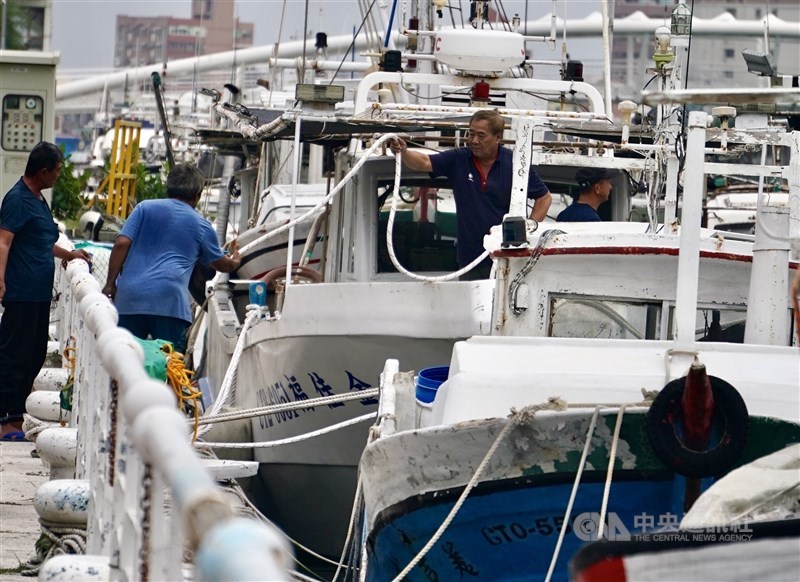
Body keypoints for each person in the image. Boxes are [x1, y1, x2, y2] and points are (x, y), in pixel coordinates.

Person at [0, 142, 92, 441]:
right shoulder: (17, 199)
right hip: (21, 291)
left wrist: (70, 255)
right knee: (14, 355)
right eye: (57, 169)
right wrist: (0, 280)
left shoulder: (38, 199)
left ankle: (14, 412)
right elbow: (4, 242)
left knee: (35, 353)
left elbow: (40, 242)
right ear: (43, 171)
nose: (59, 175)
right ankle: (7, 420)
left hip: (38, 293)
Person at [390, 110, 552, 279]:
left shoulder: (515, 164)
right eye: (471, 134)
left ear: (498, 138)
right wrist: (404, 152)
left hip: (509, 259)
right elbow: (424, 162)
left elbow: (544, 198)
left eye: (481, 136)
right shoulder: (459, 159)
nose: (474, 140)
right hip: (470, 260)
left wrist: (528, 229)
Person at [102, 164, 240, 354]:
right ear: (198, 195)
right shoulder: (202, 225)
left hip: (130, 298)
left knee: (124, 359)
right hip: (170, 302)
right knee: (171, 368)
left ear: (169, 187)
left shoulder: (144, 208)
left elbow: (121, 244)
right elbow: (221, 264)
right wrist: (236, 260)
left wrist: (110, 283)